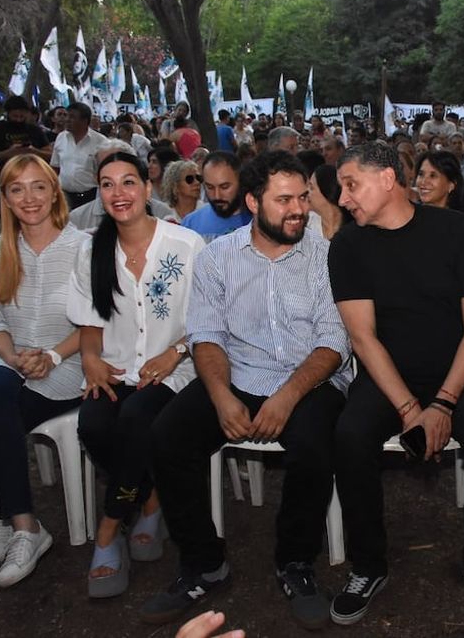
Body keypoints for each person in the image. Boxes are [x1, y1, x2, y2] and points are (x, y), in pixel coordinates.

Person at [141, 151, 350, 628]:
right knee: (167, 436)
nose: (299, 210)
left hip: (310, 379)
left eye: (303, 198)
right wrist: (221, 398)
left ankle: (295, 561)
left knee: (314, 442)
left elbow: (333, 341)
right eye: (284, 200)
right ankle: (203, 563)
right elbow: (207, 335)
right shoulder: (217, 257)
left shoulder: (325, 254)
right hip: (239, 373)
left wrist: (288, 396)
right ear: (253, 203)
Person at [329, 143, 464, 627]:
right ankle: (367, 565)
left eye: (351, 185)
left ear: (387, 179)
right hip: (387, 376)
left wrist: (444, 404)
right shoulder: (348, 245)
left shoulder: (456, 229)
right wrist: (411, 409)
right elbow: (363, 338)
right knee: (350, 436)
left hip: (458, 370)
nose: (343, 198)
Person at [67, 152, 205, 598]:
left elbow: (209, 318)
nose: (118, 193)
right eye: (107, 184)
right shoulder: (91, 249)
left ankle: (108, 528)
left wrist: (175, 353)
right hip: (115, 367)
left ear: (148, 188)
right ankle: (150, 496)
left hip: (177, 371)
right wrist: (90, 357)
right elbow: (90, 321)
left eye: (128, 182)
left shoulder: (185, 245)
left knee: (135, 418)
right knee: (93, 425)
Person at [0, 155, 87, 587]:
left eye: (39, 186)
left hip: (69, 363)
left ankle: (8, 513)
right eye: (16, 189)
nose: (29, 198)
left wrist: (52, 356)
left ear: (55, 191)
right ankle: (26, 525)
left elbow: (96, 322)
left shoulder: (84, 247)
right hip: (10, 357)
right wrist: (13, 356)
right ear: (4, 198)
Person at [181, 152, 252, 243]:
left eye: (224, 187)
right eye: (210, 187)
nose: (217, 195)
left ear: (241, 182)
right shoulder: (190, 224)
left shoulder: (259, 222)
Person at [51, 102, 108, 209]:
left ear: (85, 121)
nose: (67, 120)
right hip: (64, 195)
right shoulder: (61, 138)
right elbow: (55, 167)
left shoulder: (101, 142)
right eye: (67, 115)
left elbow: (106, 172)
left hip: (90, 197)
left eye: (72, 117)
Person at [0, 95, 51, 165]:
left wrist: (33, 151)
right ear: (8, 113)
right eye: (15, 116)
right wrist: (9, 153)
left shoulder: (36, 130)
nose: (18, 120)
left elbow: (50, 155)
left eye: (22, 116)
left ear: (27, 113)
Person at [308, 163, 347, 239]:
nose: (306, 192)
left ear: (327, 193)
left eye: (311, 188)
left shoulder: (353, 232)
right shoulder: (307, 224)